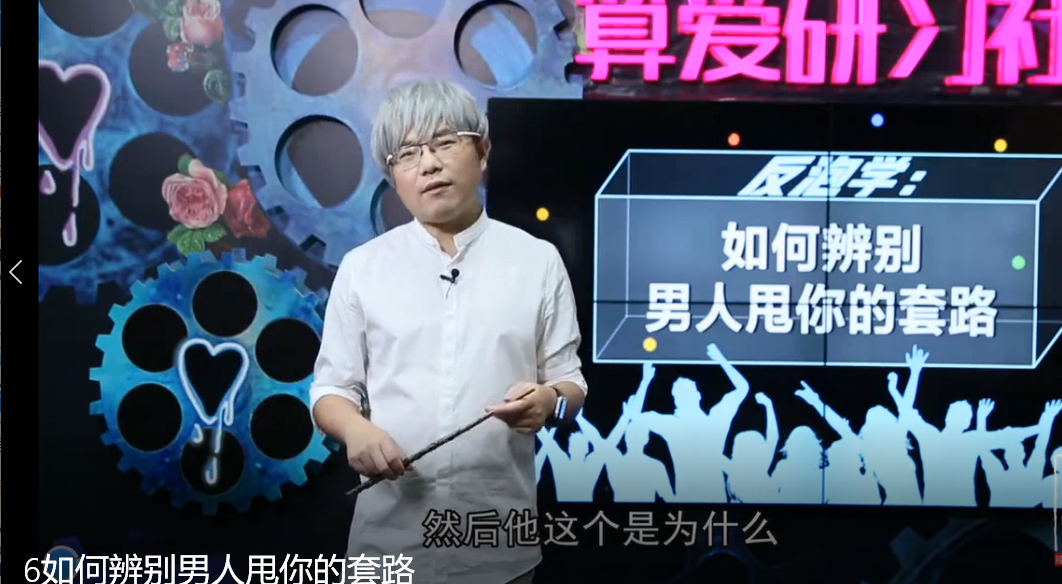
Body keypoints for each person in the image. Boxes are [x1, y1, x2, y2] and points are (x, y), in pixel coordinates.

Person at [309, 79, 588, 584]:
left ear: (482, 151)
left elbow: (572, 386)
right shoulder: (362, 268)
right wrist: (355, 430)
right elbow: (330, 391)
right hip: (387, 546)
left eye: (444, 143)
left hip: (498, 548)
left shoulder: (537, 261)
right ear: (393, 177)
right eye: (407, 154)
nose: (429, 164)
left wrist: (550, 401)